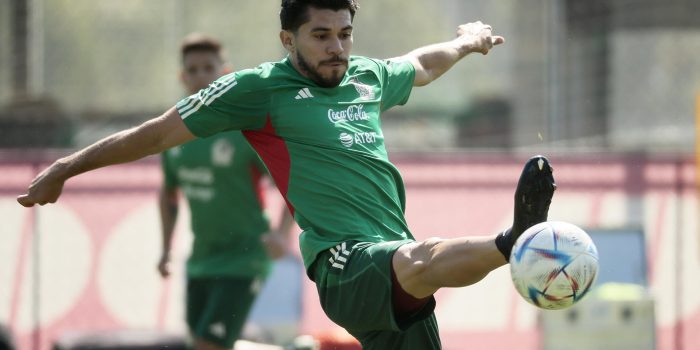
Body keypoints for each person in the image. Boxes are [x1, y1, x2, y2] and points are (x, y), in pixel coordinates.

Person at [17, 1, 556, 348]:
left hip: (392, 268)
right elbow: (157, 134)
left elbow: (422, 64)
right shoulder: (255, 90)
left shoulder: (365, 76)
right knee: (421, 260)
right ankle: (513, 240)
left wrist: (466, 41)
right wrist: (68, 166)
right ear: (287, 39)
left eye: (344, 34)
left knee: (415, 261)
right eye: (321, 35)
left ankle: (513, 242)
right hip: (341, 261)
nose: (337, 48)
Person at [156, 34, 296, 350]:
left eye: (209, 67)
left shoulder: (243, 130)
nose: (201, 76)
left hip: (243, 258)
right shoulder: (173, 133)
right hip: (201, 260)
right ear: (182, 76)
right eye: (192, 69)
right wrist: (165, 249)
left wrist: (282, 234)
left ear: (225, 72)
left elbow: (294, 182)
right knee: (201, 343)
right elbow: (168, 194)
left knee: (209, 344)